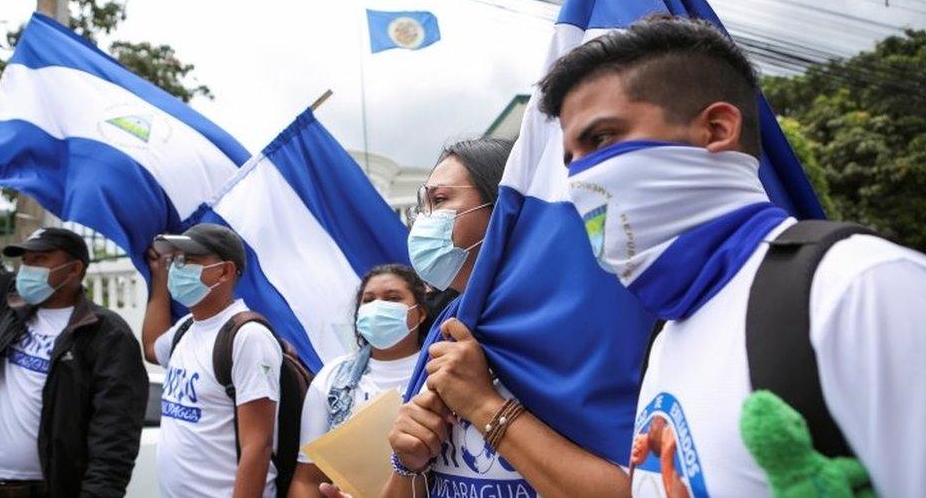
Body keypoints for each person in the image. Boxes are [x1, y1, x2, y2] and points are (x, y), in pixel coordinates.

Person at [538, 15, 926, 497]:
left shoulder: (860, 287)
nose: (579, 178)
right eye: (571, 160)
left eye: (601, 139)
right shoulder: (668, 334)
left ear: (718, 128)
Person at [361, 137, 631, 498]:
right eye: (421, 208)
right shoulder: (448, 331)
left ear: (507, 209)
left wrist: (483, 405)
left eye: (439, 201)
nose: (423, 223)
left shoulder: (584, 332)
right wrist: (409, 461)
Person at [0, 167, 148, 498]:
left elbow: (114, 439)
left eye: (40, 259)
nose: (27, 269)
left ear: (74, 270)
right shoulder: (13, 309)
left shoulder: (106, 335)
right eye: (25, 260)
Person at [142, 224, 283, 498]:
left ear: (225, 271)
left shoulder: (247, 337)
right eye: (175, 260)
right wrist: (159, 278)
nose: (177, 269)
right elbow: (150, 347)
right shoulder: (185, 328)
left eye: (189, 260)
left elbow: (258, 444)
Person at [288, 264, 432, 497]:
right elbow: (307, 480)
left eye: (393, 298)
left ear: (421, 312)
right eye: (369, 300)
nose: (378, 307)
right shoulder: (332, 378)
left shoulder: (442, 370)